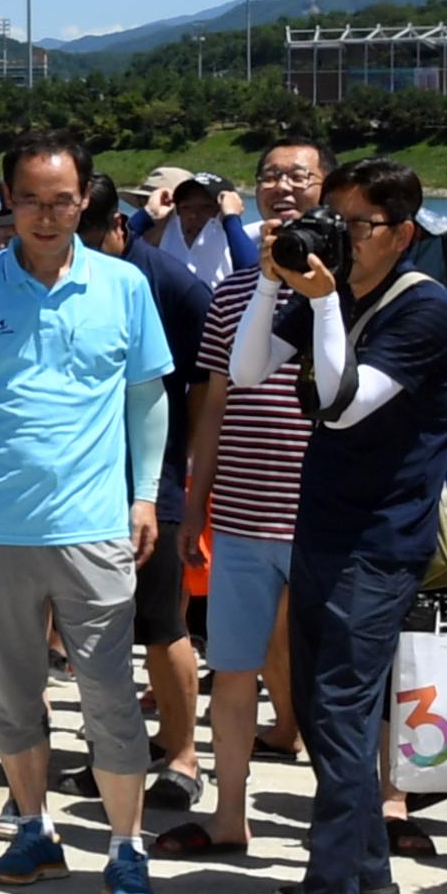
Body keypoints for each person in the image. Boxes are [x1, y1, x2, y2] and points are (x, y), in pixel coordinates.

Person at [0, 134, 177, 894]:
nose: (45, 214)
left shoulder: (124, 286)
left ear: (85, 201)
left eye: (61, 200)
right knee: (10, 692)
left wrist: (145, 496)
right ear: (6, 197)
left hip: (95, 526)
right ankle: (34, 827)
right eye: (31, 199)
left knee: (108, 694)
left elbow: (148, 398)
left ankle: (126, 846)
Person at [229, 157, 447, 894]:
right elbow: (246, 369)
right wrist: (271, 282)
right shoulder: (338, 290)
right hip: (321, 528)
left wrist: (322, 301)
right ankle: (370, 875)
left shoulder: (424, 309)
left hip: (381, 542)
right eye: (332, 219)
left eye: (356, 226)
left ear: (401, 234)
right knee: (331, 713)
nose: (338, 237)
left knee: (338, 711)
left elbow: (339, 404)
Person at [159, 135, 330, 854]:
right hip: (242, 515)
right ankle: (230, 814)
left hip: (329, 515)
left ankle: (362, 815)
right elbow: (214, 401)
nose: (282, 187)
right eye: (270, 176)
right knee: (233, 671)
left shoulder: (351, 288)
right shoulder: (230, 292)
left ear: (326, 187)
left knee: (337, 679)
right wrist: (196, 500)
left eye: (299, 176)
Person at [97, 176, 212, 817]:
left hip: (152, 484)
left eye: (89, 234)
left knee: (165, 625)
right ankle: (119, 753)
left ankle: (183, 755)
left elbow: (204, 384)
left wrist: (183, 467)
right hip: (79, 485)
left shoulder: (170, 283)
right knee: (100, 630)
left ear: (120, 226)